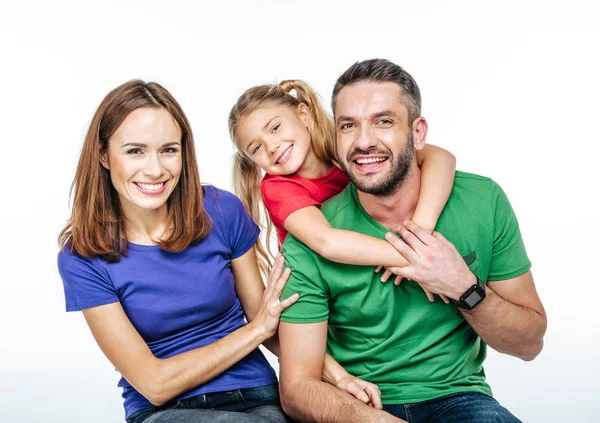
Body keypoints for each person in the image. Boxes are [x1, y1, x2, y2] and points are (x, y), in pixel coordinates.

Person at [57, 80, 376, 423]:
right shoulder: (82, 258)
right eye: (135, 151)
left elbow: (266, 316)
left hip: (259, 397)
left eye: (168, 150)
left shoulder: (221, 210)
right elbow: (155, 384)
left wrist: (339, 378)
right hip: (165, 411)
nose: (155, 169)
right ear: (104, 155)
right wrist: (254, 332)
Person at [276, 59, 547, 423]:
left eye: (383, 121)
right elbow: (297, 389)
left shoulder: (482, 201)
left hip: (457, 398)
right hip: (355, 406)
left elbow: (529, 344)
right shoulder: (310, 234)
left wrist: (462, 285)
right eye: (348, 126)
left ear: (418, 133)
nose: (364, 141)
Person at [229, 79, 456, 302]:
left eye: (275, 128)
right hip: (319, 289)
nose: (272, 147)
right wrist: (414, 256)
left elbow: (442, 158)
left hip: (368, 271)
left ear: (303, 114)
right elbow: (327, 242)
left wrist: (419, 234)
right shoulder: (276, 187)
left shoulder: (343, 153)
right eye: (256, 147)